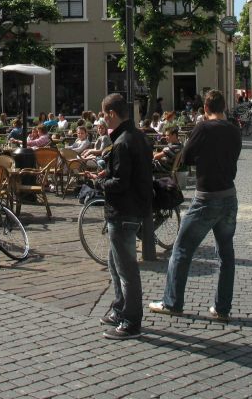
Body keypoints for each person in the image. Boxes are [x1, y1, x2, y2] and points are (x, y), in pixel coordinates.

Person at [150, 90, 240, 322]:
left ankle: (172, 302)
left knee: (181, 249)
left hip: (206, 198)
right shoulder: (234, 129)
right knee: (226, 254)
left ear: (206, 108)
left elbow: (187, 157)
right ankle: (222, 307)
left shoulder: (203, 129)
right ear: (223, 107)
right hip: (229, 196)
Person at [96, 93, 153, 339]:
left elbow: (121, 182)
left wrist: (100, 183)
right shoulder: (137, 136)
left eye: (103, 115)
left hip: (123, 211)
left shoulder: (121, 142)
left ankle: (131, 321)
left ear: (111, 114)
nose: (102, 119)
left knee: (127, 268)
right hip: (134, 208)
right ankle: (120, 308)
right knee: (114, 261)